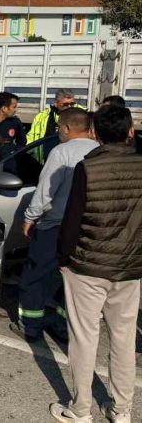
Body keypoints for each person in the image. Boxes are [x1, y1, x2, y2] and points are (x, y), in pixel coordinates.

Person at [50, 106, 142, 423]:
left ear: (95, 134)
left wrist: (63, 259)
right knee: (123, 339)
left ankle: (80, 409)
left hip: (86, 266)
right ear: (130, 131)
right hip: (129, 267)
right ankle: (122, 411)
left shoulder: (87, 167)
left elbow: (72, 220)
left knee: (84, 338)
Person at [10, 108, 98, 343]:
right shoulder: (99, 152)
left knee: (36, 275)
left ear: (68, 128)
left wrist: (30, 218)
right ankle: (63, 326)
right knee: (74, 279)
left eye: (59, 127)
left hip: (55, 226)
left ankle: (30, 326)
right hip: (88, 228)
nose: (58, 131)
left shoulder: (61, 153)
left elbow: (45, 192)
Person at [27, 89, 79, 162]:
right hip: (46, 159)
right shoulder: (42, 116)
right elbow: (31, 138)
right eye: (66, 104)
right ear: (56, 103)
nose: (69, 107)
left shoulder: (80, 115)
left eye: (72, 104)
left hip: (71, 160)